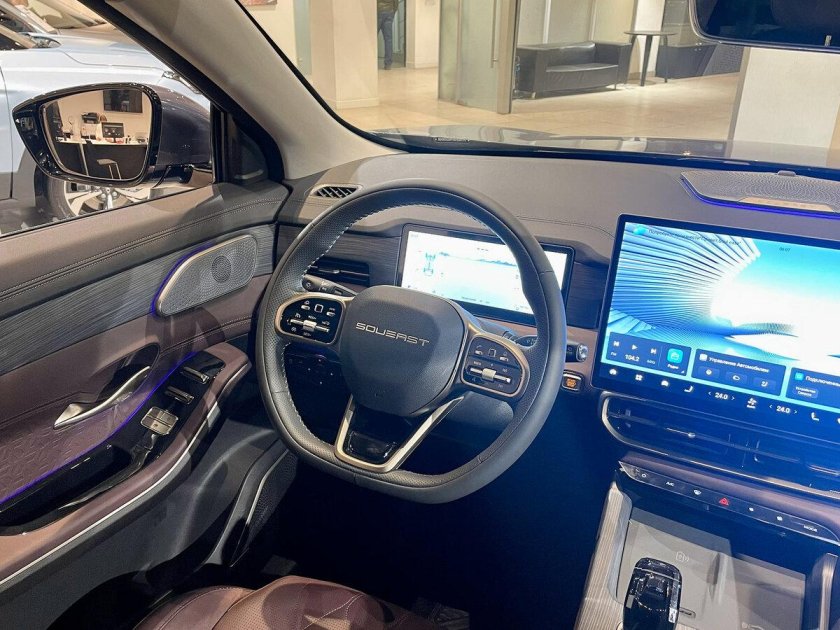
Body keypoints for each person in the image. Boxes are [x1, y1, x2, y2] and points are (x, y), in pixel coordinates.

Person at [377, 0, 397, 70]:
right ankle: (388, 64)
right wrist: (393, 11)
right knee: (388, 39)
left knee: (372, 38)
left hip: (378, 10)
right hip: (389, 11)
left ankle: (369, 62)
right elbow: (396, 2)